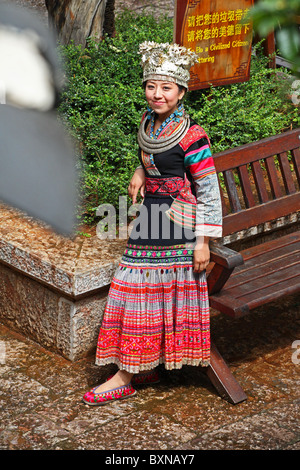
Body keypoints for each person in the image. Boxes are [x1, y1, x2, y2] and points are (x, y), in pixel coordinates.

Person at [82, 42, 222, 406]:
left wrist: (203, 242)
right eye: (151, 86)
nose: (157, 94)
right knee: (136, 286)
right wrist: (141, 168)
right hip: (153, 214)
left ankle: (124, 375)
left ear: (181, 92)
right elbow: (155, 154)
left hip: (179, 220)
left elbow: (208, 191)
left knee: (138, 285)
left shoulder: (194, 136)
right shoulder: (149, 123)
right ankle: (140, 364)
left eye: (166, 88)